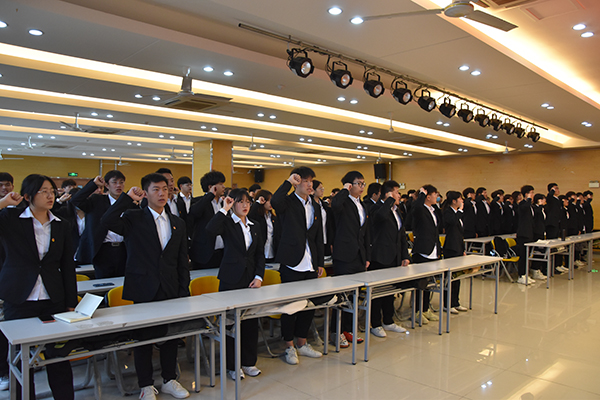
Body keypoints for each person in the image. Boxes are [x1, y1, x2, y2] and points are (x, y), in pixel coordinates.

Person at [101, 173, 190, 400]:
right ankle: (146, 385)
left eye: (165, 189)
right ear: (146, 193)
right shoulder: (133, 217)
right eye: (155, 189)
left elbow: (181, 260)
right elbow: (107, 221)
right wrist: (127, 199)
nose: (162, 194)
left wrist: (184, 290)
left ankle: (169, 379)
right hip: (143, 286)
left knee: (170, 336)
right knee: (143, 339)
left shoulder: (177, 222)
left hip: (170, 287)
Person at [0, 174, 77, 399]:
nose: (50, 196)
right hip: (20, 297)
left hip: (53, 298)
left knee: (58, 356)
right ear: (27, 196)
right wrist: (4, 202)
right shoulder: (10, 218)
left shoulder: (61, 224)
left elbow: (67, 266)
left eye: (52, 191)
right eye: (44, 191)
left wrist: (71, 303)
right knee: (21, 359)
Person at [206, 189, 265, 380]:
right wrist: (225, 209)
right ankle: (232, 365)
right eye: (240, 202)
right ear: (233, 204)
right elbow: (210, 230)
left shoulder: (255, 225)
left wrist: (259, 276)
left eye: (248, 201)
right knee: (230, 324)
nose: (245, 205)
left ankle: (248, 362)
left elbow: (259, 254)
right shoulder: (227, 222)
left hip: (250, 280)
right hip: (231, 279)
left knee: (250, 323)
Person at [271, 167, 325, 365]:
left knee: (308, 305)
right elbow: (275, 201)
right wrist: (288, 182)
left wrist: (319, 262)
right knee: (290, 307)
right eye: (305, 181)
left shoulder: (315, 205)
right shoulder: (287, 202)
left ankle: (302, 342)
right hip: (292, 261)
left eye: (311, 181)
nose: (310, 185)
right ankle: (289, 346)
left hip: (310, 262)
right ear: (297, 183)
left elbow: (318, 236)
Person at [70, 170, 136, 277]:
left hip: (123, 249)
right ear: (107, 185)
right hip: (102, 249)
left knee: (122, 280)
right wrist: (93, 184)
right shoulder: (97, 200)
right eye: (114, 182)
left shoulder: (129, 204)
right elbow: (76, 200)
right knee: (103, 280)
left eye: (121, 182)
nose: (118, 185)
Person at [331, 171, 371, 346]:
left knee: (354, 295)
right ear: (349, 185)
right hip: (344, 255)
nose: (362, 187)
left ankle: (348, 329)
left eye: (363, 184)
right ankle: (336, 331)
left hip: (359, 256)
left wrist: (367, 256)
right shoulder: (342, 201)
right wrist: (344, 190)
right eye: (358, 183)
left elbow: (365, 232)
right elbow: (335, 206)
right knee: (342, 296)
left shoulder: (361, 204)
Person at [369, 180, 410, 337]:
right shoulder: (376, 208)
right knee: (378, 294)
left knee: (389, 293)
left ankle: (388, 320)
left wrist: (405, 255)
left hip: (394, 257)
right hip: (380, 257)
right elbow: (380, 217)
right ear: (388, 194)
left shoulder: (396, 211)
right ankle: (375, 324)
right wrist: (389, 201)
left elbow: (401, 235)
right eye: (397, 193)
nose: (399, 196)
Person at [410, 185, 442, 323]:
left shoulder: (432, 210)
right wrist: (421, 195)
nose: (437, 197)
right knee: (420, 284)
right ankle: (417, 311)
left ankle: (425, 309)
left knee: (428, 284)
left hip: (433, 250)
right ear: (427, 196)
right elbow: (416, 208)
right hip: (422, 251)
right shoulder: (420, 209)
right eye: (435, 194)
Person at [189, 171, 226, 269]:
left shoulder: (223, 203)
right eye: (220, 184)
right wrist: (210, 195)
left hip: (222, 252)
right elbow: (194, 212)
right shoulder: (198, 201)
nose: (224, 187)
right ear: (211, 187)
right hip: (204, 253)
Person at [442, 191, 469, 314]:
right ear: (454, 201)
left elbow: (460, 234)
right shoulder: (448, 212)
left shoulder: (458, 213)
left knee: (457, 277)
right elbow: (452, 222)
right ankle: (447, 304)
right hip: (451, 248)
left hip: (458, 247)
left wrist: (463, 249)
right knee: (450, 278)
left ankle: (455, 302)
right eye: (460, 199)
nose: (462, 201)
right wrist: (460, 211)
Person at [516, 185, 540, 285]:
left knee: (527, 255)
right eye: (531, 193)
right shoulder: (522, 204)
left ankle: (526, 274)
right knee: (523, 255)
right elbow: (524, 209)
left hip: (530, 233)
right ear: (526, 194)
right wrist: (528, 199)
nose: (533, 195)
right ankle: (521, 275)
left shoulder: (530, 206)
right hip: (523, 234)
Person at [248, 190, 280, 262]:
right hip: (260, 253)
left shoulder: (273, 217)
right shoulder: (257, 216)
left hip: (272, 252)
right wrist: (258, 203)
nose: (270, 203)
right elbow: (250, 216)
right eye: (268, 201)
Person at [312, 180, 334, 256]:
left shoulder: (324, 206)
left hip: (325, 239)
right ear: (313, 190)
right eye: (320, 188)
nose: (322, 190)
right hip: (314, 240)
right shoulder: (309, 205)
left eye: (323, 188)